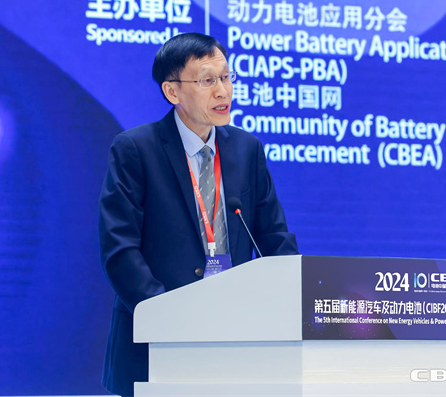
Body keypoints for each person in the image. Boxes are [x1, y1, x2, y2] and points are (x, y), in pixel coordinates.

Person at [98, 32, 298, 397]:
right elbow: (120, 249)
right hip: (157, 345)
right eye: (207, 81)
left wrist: (295, 299)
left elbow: (274, 239)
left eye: (226, 77)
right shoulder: (136, 149)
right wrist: (165, 317)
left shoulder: (247, 149)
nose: (222, 91)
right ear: (172, 91)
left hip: (236, 343)